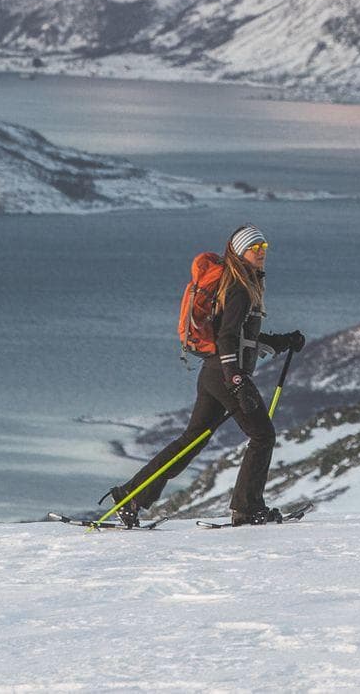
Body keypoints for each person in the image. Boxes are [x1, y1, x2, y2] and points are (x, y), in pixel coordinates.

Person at [101, 224, 305, 527]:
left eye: (264, 248)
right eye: (255, 248)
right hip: (224, 375)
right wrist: (236, 378)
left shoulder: (241, 283)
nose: (261, 253)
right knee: (263, 435)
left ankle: (131, 495)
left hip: (213, 372)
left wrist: (283, 341)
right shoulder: (239, 288)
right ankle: (248, 508)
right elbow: (226, 337)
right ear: (240, 252)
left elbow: (242, 338)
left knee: (191, 441)